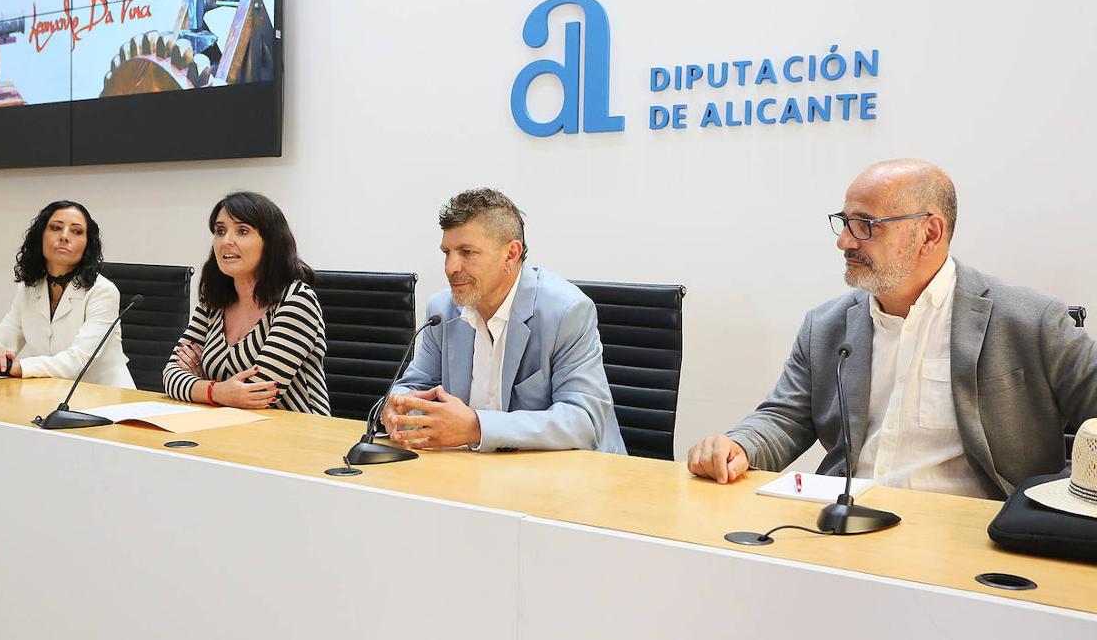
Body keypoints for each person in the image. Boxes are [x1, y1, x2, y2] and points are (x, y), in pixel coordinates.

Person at [687, 159, 1097, 499]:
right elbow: (785, 417)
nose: (845, 242)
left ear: (929, 233)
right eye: (844, 223)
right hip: (846, 524)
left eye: (865, 225)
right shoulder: (826, 326)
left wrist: (1058, 502)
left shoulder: (1029, 320)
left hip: (976, 538)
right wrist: (739, 444)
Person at [381, 188, 625, 454]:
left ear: (510, 254)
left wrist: (478, 427)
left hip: (570, 479)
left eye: (467, 252)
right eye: (446, 252)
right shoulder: (442, 310)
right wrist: (397, 407)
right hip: (476, 473)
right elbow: (415, 386)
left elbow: (584, 422)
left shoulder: (566, 311)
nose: (451, 267)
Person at [163, 191, 329, 414]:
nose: (226, 241)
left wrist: (201, 379)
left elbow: (259, 392)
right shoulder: (214, 301)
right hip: (226, 429)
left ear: (271, 243)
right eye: (220, 231)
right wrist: (217, 391)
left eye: (242, 231)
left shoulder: (297, 299)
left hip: (296, 438)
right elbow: (170, 375)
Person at [0, 200, 134, 388]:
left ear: (88, 244)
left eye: (77, 231)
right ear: (40, 236)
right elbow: (7, 334)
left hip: (107, 401)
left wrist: (7, 368)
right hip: (50, 394)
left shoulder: (103, 291)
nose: (64, 236)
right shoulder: (30, 287)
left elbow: (79, 361)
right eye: (56, 228)